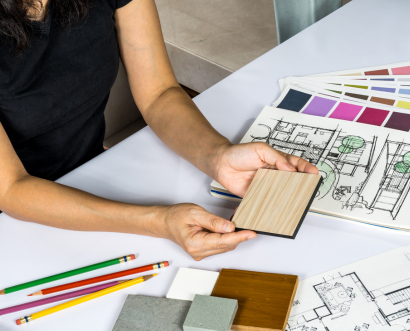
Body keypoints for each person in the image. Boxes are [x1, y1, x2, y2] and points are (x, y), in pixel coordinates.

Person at [0, 0, 318, 260]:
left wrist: (218, 156)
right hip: (17, 222)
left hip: (94, 177)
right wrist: (158, 221)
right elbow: (11, 190)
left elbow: (159, 93)